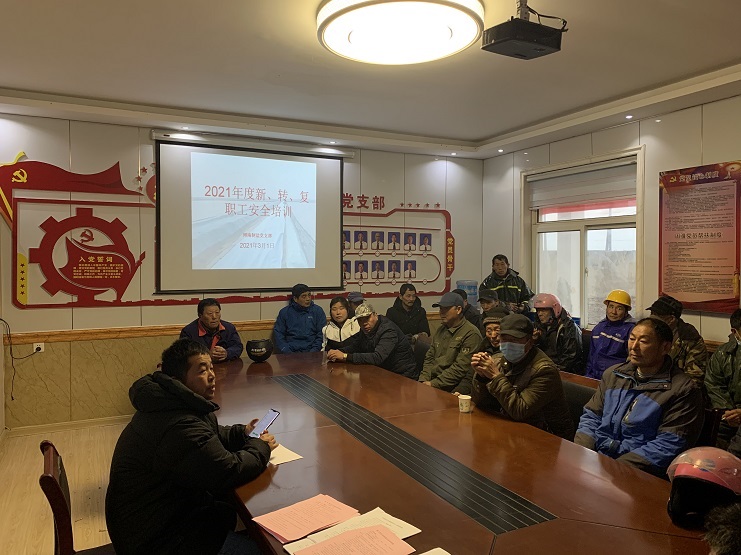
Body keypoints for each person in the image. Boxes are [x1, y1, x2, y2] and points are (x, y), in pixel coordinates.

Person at [106, 339, 278, 555]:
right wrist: (260, 446)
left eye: (211, 368)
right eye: (202, 370)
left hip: (166, 517)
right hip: (158, 541)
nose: (212, 375)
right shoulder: (178, 425)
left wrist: (242, 432)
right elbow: (228, 471)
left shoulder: (173, 402)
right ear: (178, 379)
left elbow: (209, 436)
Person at [575, 317, 705, 476]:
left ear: (665, 347)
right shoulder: (614, 375)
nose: (634, 347)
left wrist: (614, 469)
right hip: (597, 461)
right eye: (632, 339)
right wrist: (585, 453)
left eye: (643, 341)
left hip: (636, 473)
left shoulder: (682, 390)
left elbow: (668, 444)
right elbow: (591, 416)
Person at [471, 314, 575, 440]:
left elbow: (520, 411)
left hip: (548, 436)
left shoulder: (544, 370)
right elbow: (481, 403)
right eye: (504, 339)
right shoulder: (498, 360)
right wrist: (482, 377)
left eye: (514, 340)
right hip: (512, 429)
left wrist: (495, 376)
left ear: (530, 342)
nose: (508, 344)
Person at [327, 302, 418, 379]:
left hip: (403, 375)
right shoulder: (366, 329)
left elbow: (377, 358)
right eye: (360, 320)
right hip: (384, 372)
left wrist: (345, 356)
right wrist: (338, 352)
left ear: (375, 315)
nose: (364, 323)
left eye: (367, 318)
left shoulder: (388, 330)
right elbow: (356, 346)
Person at [419, 292, 482, 394]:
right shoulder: (441, 329)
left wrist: (433, 384)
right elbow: (429, 358)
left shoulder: (470, 333)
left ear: (458, 309)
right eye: (440, 308)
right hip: (433, 383)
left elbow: (460, 369)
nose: (441, 312)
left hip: (452, 387)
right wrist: (423, 380)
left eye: (446, 309)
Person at [647, 295, 708, 386]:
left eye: (657, 316)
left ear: (671, 319)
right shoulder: (648, 333)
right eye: (652, 313)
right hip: (648, 383)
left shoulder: (690, 339)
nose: (652, 319)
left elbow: (695, 378)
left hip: (676, 388)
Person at [705, 308, 741, 448]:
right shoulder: (722, 354)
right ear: (735, 332)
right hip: (728, 415)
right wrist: (729, 413)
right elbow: (714, 385)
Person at [585, 290, 635, 380]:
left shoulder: (631, 331)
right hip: (594, 377)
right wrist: (588, 378)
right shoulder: (599, 328)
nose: (613, 312)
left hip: (616, 380)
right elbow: (591, 358)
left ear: (626, 311)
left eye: (619, 308)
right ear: (606, 307)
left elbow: (631, 363)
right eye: (611, 307)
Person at [533, 293, 583, 375]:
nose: (540, 314)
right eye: (538, 310)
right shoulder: (539, 325)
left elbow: (569, 359)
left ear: (554, 310)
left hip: (563, 372)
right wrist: (535, 341)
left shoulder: (568, 327)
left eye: (543, 310)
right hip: (543, 367)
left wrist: (551, 371)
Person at [180, 298, 243, 362]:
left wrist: (227, 353)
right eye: (210, 314)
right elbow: (184, 354)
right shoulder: (188, 332)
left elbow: (238, 346)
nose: (214, 317)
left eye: (217, 313)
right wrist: (207, 355)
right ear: (200, 315)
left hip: (225, 366)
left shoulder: (229, 328)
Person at [273, 284, 326, 353]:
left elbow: (321, 334)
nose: (308, 299)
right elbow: (279, 335)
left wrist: (313, 351)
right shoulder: (285, 312)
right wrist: (287, 352)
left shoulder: (317, 311)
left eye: (309, 295)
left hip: (312, 351)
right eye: (304, 296)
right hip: (290, 352)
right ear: (295, 299)